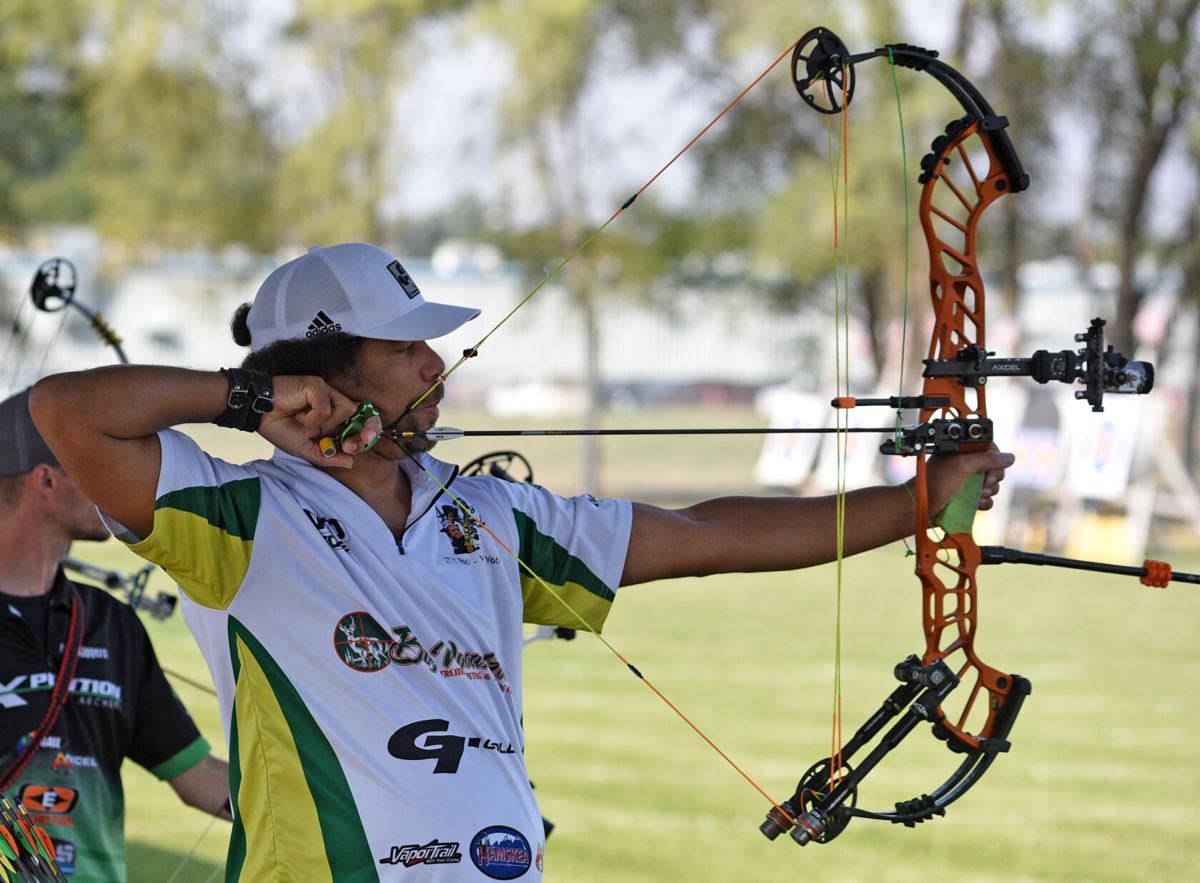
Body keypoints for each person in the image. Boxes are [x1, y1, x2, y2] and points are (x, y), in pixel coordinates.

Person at [28, 242, 1013, 881]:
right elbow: (68, 413)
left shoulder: (489, 513)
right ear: (325, 372)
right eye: (407, 349)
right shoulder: (235, 514)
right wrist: (248, 401)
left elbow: (713, 537)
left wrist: (926, 502)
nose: (434, 366)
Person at [0, 388, 232, 882]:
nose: (111, 482)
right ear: (47, 480)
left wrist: (334, 792)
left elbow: (200, 780)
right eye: (91, 463)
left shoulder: (110, 622)